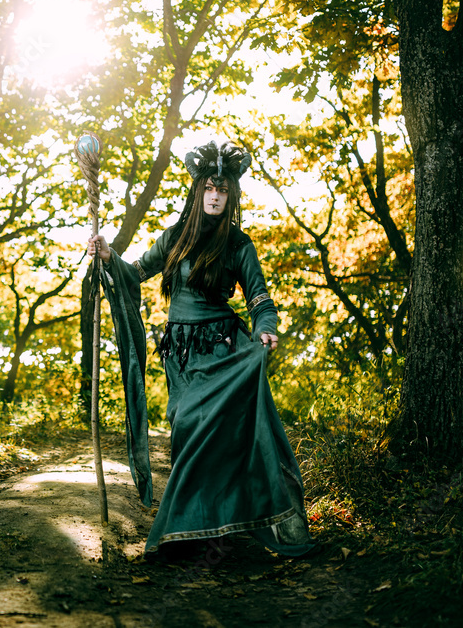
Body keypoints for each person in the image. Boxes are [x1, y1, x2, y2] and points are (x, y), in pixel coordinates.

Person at [86, 140, 318, 560]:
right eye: (210, 188)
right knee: (187, 426)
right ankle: (200, 531)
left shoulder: (238, 244)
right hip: (181, 354)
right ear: (197, 192)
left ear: (231, 195)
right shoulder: (173, 238)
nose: (215, 195)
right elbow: (135, 273)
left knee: (212, 430)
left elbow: (261, 299)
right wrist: (107, 255)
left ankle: (205, 528)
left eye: (223, 189)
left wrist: (265, 329)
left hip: (223, 350)